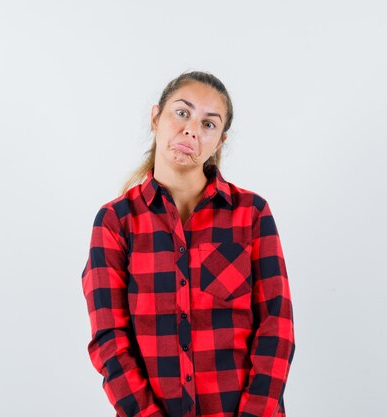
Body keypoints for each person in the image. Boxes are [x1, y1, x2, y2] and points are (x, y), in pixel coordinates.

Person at [80, 70, 296, 417]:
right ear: (156, 117)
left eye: (209, 124)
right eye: (182, 113)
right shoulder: (116, 222)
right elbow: (110, 341)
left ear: (219, 141)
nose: (192, 129)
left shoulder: (252, 214)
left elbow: (277, 328)